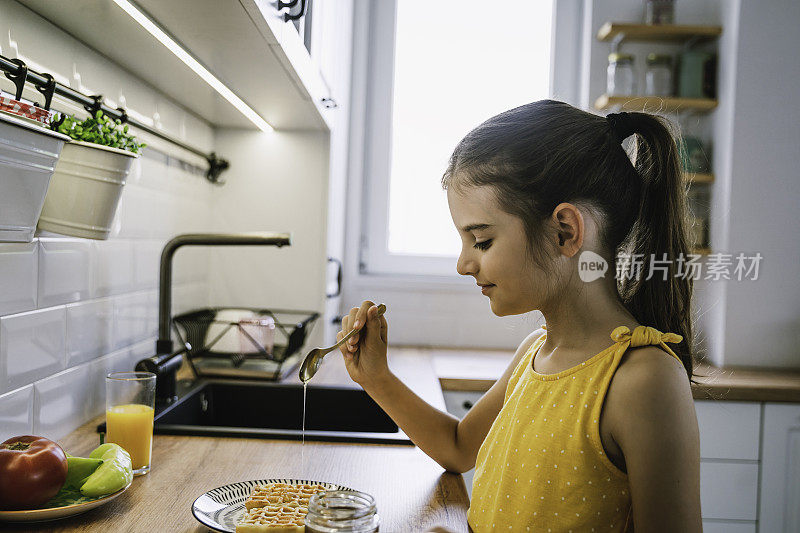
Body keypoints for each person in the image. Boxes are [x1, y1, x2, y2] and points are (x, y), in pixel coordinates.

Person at [337, 100, 701, 532]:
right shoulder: (537, 351)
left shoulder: (644, 380)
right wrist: (376, 378)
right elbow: (456, 447)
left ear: (565, 231)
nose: (463, 264)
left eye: (482, 241)